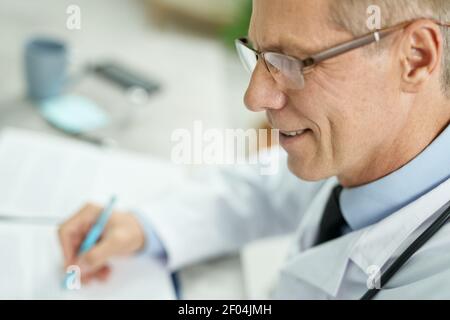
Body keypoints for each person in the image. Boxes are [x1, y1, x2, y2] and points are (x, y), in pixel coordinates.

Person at [59, 0, 450, 299]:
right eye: (260, 55)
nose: (255, 97)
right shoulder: (365, 146)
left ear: (416, 57)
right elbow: (263, 187)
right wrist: (146, 228)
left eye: (293, 60)